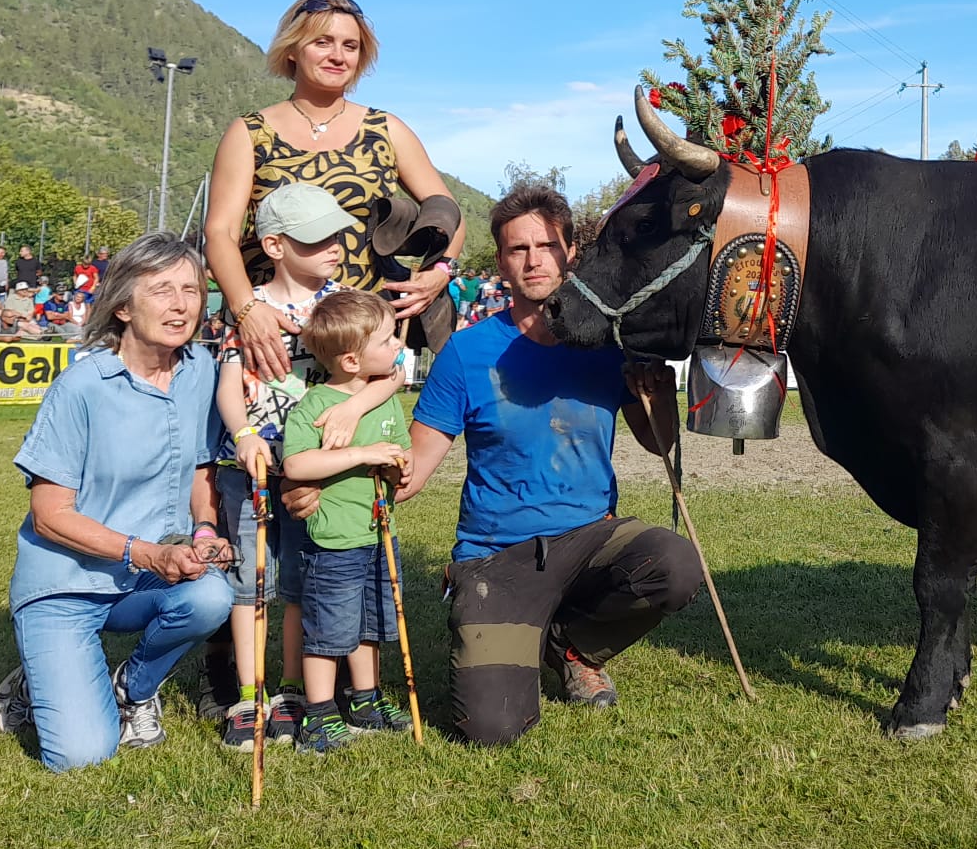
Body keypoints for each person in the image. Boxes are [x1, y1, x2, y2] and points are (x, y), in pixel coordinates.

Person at [385, 183, 699, 747]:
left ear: (571, 251)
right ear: (501, 261)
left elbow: (658, 444)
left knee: (675, 564)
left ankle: (574, 646)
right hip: (497, 556)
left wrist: (658, 396)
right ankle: (518, 626)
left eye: (547, 246)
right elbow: (413, 467)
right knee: (491, 729)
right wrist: (351, 463)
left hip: (590, 539)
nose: (534, 261)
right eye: (517, 250)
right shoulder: (467, 352)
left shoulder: (611, 348)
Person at [0, 233, 231, 772]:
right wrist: (149, 554)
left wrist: (206, 533)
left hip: (145, 578)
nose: (181, 304)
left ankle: (134, 687)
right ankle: (35, 676)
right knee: (81, 756)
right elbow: (49, 516)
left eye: (191, 290)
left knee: (212, 598)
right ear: (122, 306)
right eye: (162, 289)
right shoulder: (82, 386)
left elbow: (199, 467)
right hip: (67, 583)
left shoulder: (201, 374)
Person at [205, 0, 458, 384]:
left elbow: (447, 213)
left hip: (361, 341)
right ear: (293, 49)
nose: (338, 56)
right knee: (263, 441)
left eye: (350, 46)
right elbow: (220, 232)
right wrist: (245, 309)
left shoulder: (386, 130)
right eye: (322, 42)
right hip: (272, 335)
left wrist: (439, 272)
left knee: (359, 444)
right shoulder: (250, 134)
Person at [206, 182, 355, 750]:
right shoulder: (246, 309)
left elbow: (375, 372)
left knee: (297, 581)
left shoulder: (344, 304)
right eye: (316, 240)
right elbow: (228, 382)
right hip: (249, 469)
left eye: (336, 235)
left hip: (315, 471)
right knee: (251, 582)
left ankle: (293, 689)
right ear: (274, 245)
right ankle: (249, 695)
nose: (333, 248)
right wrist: (243, 432)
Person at [280, 291, 415, 753]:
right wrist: (362, 455)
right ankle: (318, 715)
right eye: (387, 338)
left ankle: (365, 700)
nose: (397, 344)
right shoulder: (315, 404)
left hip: (378, 534)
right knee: (328, 627)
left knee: (369, 624)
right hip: (334, 540)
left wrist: (401, 466)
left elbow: (401, 452)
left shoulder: (387, 402)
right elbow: (296, 465)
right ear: (354, 359)